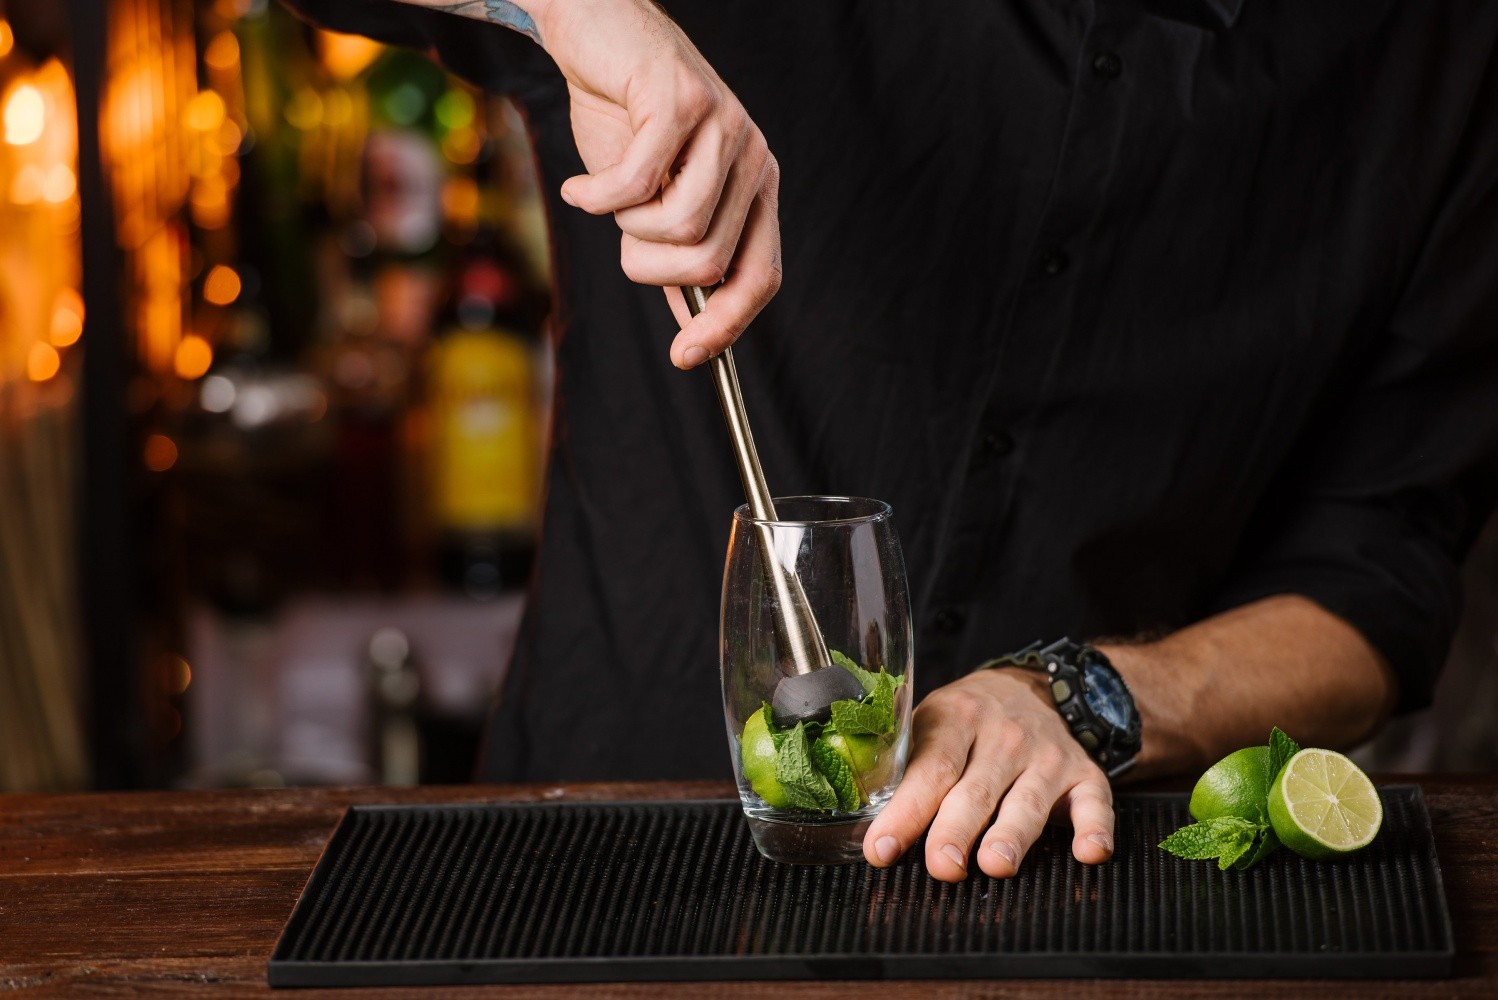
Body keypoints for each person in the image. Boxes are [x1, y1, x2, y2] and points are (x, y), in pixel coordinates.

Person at [281, 0, 1498, 882]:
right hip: (598, 852)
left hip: (1066, 885)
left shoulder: (1445, 52)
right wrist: (576, 9)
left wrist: (1085, 696)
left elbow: (1380, 567)